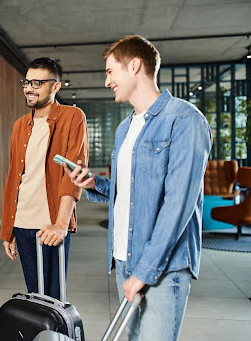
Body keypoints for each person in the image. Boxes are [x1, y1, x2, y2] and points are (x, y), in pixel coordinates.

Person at [66, 35, 212, 341]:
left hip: (163, 267)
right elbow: (133, 192)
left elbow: (178, 205)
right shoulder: (125, 128)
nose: (107, 82)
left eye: (109, 71)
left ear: (134, 66)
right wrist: (95, 184)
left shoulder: (184, 120)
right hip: (124, 259)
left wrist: (144, 272)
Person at [1, 57, 89, 300]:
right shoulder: (20, 124)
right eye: (27, 82)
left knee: (53, 300)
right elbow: (14, 179)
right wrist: (8, 231)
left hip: (50, 224)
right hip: (22, 223)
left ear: (56, 86)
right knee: (34, 298)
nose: (29, 88)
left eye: (37, 83)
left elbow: (73, 173)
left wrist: (61, 224)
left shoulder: (73, 117)